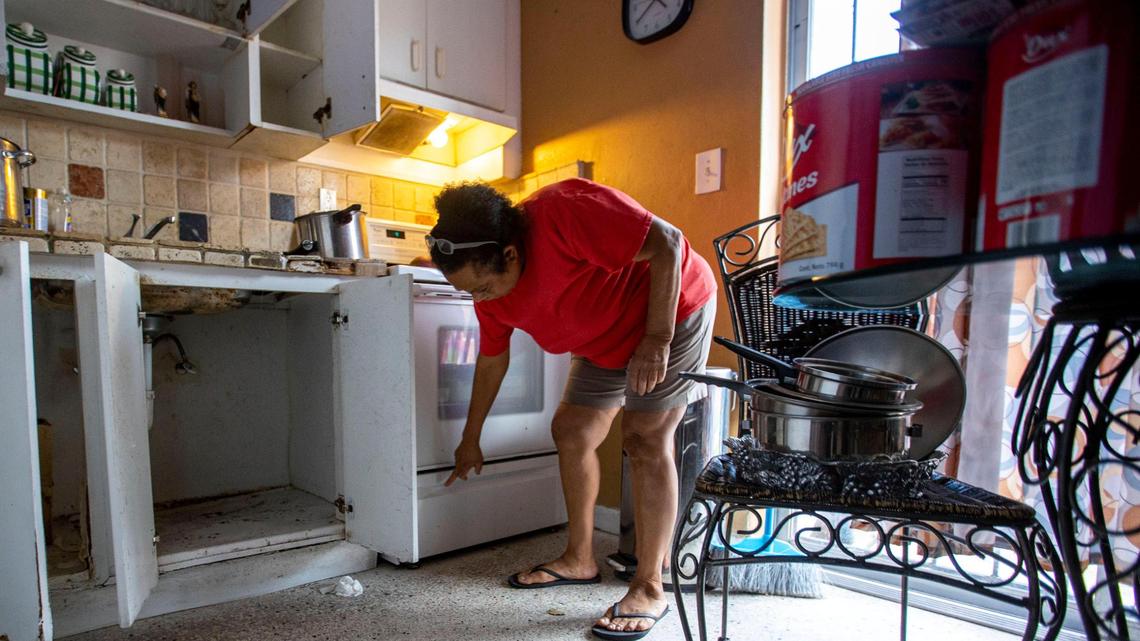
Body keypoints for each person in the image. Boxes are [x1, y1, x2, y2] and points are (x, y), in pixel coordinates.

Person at [429, 178, 716, 640]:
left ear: (510, 254)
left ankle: (649, 585)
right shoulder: (490, 294)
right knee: (572, 430)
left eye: (483, 287)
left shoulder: (563, 212)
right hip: (600, 339)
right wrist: (470, 439)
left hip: (671, 311)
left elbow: (668, 242)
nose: (480, 300)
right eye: (470, 293)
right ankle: (579, 559)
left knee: (644, 437)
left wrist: (657, 338)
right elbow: (491, 361)